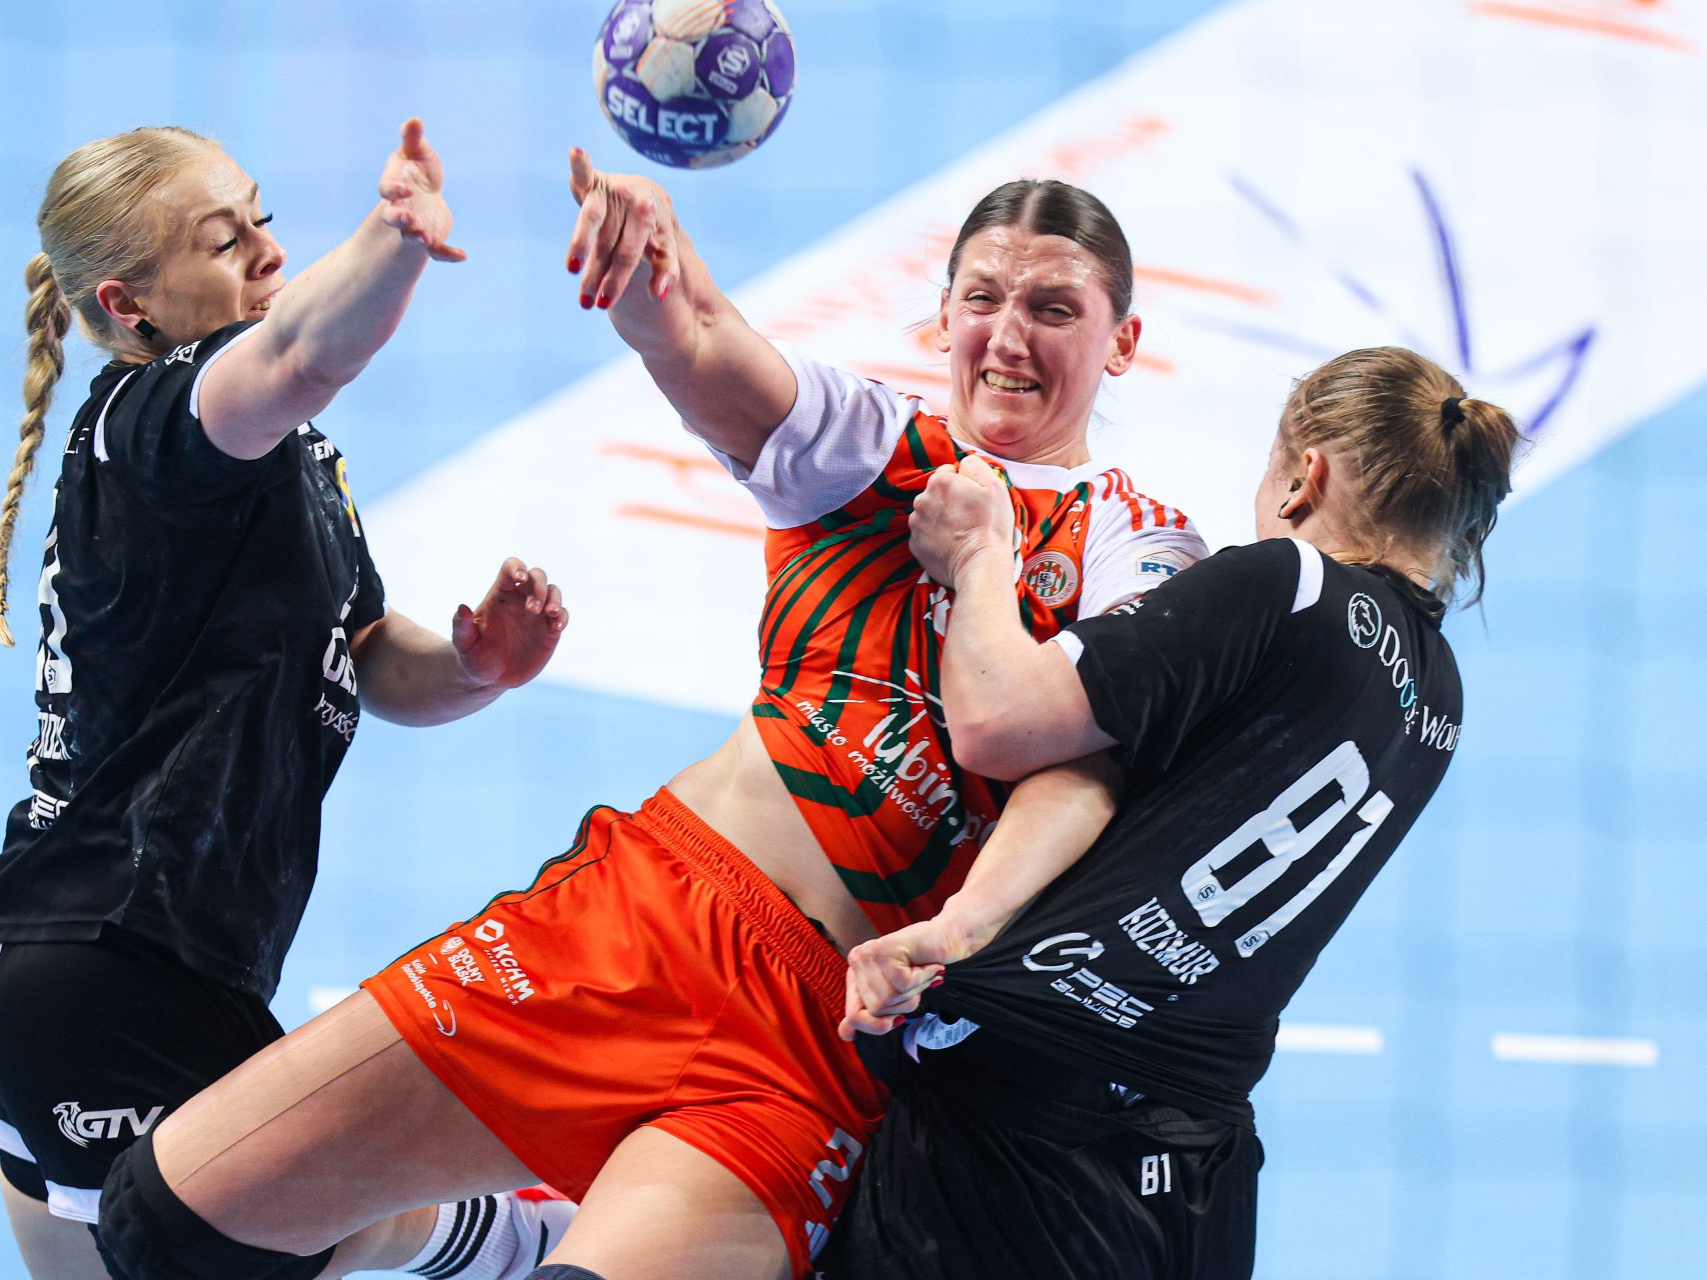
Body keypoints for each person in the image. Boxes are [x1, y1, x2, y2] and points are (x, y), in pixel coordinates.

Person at [92, 155, 1207, 1280]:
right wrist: (646, 273)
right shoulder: (878, 448)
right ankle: (498, 1230)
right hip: (640, 922)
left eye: (1053, 309)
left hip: (817, 1044)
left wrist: (982, 554)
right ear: (942, 318)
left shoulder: (1144, 547)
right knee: (163, 1221)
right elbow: (702, 340)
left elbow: (1044, 747)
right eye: (982, 299)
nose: (1008, 336)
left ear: (1121, 341)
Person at [0, 119, 575, 1280]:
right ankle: (535, 1232)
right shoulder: (155, 425)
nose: (269, 251)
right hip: (122, 970)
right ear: (130, 305)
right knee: (308, 1221)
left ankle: (521, 1230)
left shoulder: (281, 461)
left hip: (39, 960)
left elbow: (364, 655)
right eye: (224, 240)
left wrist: (476, 666)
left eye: (263, 220)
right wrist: (394, 238)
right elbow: (294, 355)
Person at [828, 347, 1521, 1278]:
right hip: (1196, 1169)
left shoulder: (1286, 584)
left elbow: (999, 722)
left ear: (1306, 475)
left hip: (1025, 1121)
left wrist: (978, 555)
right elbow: (1109, 774)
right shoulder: (1439, 699)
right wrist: (963, 927)